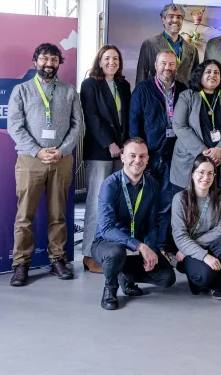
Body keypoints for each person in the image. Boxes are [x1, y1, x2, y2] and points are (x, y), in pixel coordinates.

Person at [7, 41, 82, 287]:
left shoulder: (70, 91)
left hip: (61, 160)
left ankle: (58, 259)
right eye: (44, 59)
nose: (49, 64)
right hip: (31, 160)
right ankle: (21, 264)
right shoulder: (22, 90)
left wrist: (61, 151)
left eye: (53, 59)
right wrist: (38, 151)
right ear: (35, 61)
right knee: (24, 215)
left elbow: (77, 125)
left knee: (58, 214)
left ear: (59, 62)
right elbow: (14, 126)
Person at [92, 138, 176, 310]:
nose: (137, 160)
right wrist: (140, 246)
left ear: (147, 159)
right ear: (122, 157)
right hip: (107, 244)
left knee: (167, 278)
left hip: (137, 245)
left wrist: (150, 248)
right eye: (132, 155)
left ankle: (126, 276)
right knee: (116, 252)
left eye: (142, 156)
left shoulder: (152, 184)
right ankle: (110, 289)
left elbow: (153, 223)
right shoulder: (110, 185)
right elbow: (106, 228)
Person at [80, 44, 131, 274]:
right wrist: (108, 142)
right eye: (107, 58)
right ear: (99, 61)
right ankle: (89, 254)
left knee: (115, 203)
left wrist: (125, 146)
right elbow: (91, 117)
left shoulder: (123, 85)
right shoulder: (90, 85)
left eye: (116, 58)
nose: (112, 62)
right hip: (100, 151)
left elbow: (127, 118)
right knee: (95, 203)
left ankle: (110, 251)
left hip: (121, 152)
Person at [129, 49, 187, 252]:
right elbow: (134, 123)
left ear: (176, 67)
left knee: (171, 200)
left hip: (176, 153)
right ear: (155, 66)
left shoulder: (183, 90)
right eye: (163, 63)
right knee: (150, 201)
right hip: (151, 154)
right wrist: (138, 156)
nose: (167, 68)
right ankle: (148, 245)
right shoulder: (142, 89)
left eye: (171, 64)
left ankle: (165, 244)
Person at [171, 60, 221, 196]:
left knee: (220, 202)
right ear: (200, 75)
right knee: (188, 203)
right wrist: (204, 152)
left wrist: (219, 149)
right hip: (190, 157)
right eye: (208, 72)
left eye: (216, 72)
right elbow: (179, 126)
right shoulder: (187, 96)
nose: (213, 75)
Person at [171, 154, 221, 299]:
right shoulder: (180, 199)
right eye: (201, 172)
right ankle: (201, 277)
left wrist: (205, 253)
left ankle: (217, 284)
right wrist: (203, 255)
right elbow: (180, 236)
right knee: (203, 278)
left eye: (210, 173)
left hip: (211, 246)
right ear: (192, 174)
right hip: (188, 250)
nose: (206, 177)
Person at [136, 4, 200, 84]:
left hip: (184, 95)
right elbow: (141, 76)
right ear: (163, 20)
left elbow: (195, 79)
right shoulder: (149, 44)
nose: (175, 20)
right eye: (171, 16)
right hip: (156, 94)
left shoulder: (192, 49)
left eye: (179, 17)